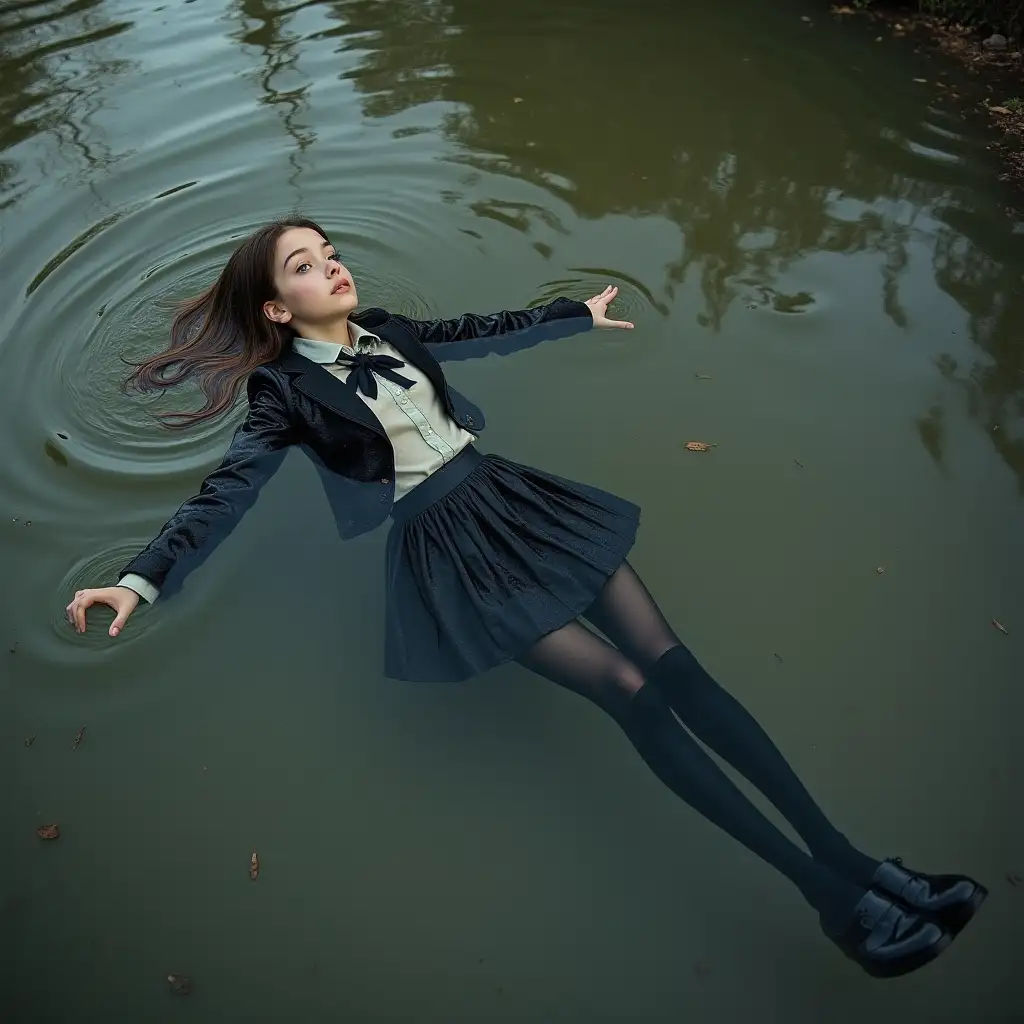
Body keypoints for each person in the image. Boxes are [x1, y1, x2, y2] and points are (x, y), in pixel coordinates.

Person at [65, 217, 986, 977]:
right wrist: (139, 580)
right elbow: (227, 488)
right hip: (448, 553)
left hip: (515, 499)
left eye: (329, 250)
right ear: (277, 305)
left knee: (678, 667)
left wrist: (570, 315)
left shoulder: (388, 324)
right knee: (631, 693)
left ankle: (864, 865)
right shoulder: (281, 393)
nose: (330, 265)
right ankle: (831, 902)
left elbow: (472, 330)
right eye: (303, 265)